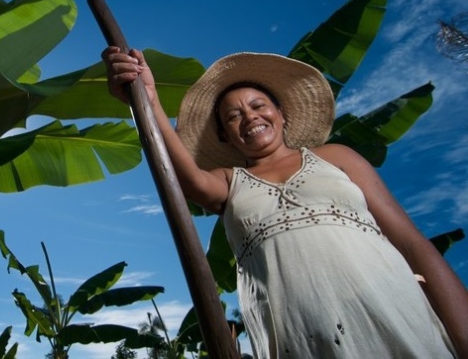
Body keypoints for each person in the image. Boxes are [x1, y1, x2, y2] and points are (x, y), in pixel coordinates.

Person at [102, 47, 468, 359]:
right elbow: (184, 179)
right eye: (233, 116)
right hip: (298, 338)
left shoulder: (337, 156)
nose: (249, 117)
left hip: (393, 312)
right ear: (226, 136)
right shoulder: (228, 182)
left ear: (282, 113)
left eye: (258, 105)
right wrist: (145, 102)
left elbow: (410, 242)